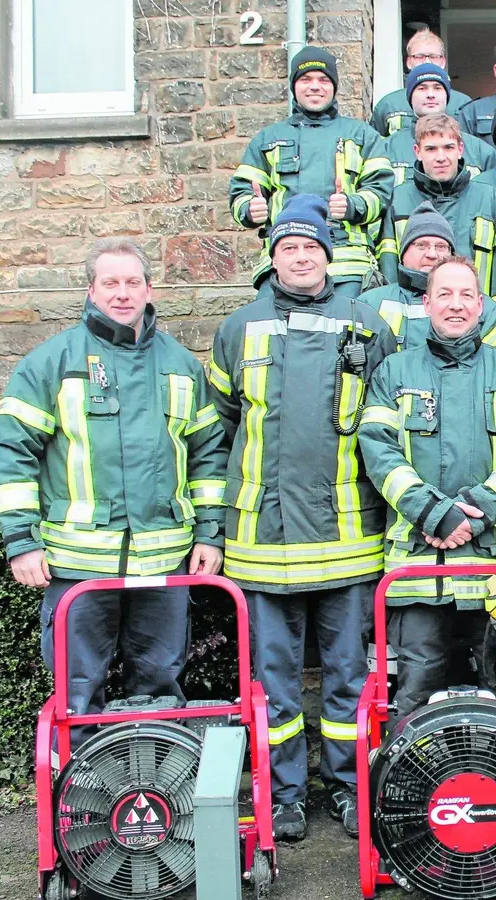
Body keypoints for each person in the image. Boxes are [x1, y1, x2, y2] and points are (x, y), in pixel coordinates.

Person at [208, 196, 398, 841]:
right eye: (289, 247)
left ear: (328, 254)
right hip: (261, 539)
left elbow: (387, 416)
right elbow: (221, 424)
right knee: (276, 683)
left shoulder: (365, 322)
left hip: (347, 537)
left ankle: (349, 789)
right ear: (272, 257)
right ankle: (284, 795)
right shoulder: (237, 329)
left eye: (311, 246)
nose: (301, 256)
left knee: (348, 678)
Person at [0, 238, 228, 745]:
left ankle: (157, 794)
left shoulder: (181, 365)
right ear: (91, 290)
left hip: (163, 560)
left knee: (161, 686)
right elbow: (12, 453)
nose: (123, 294)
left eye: (132, 282)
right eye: (111, 283)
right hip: (77, 564)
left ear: (149, 288)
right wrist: (22, 542)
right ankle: (82, 802)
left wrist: (209, 535)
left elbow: (209, 456)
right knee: (78, 691)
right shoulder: (50, 363)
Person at [356, 255, 496, 716]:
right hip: (419, 570)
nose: (456, 304)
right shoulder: (394, 373)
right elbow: (378, 451)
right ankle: (412, 789)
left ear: (481, 305)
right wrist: (435, 514)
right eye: (444, 294)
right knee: (414, 697)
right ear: (426, 303)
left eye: (466, 294)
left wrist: (475, 510)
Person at [229, 46, 393, 300]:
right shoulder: (267, 139)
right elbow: (241, 192)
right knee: (267, 329)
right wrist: (249, 209)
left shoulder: (362, 136)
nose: (315, 86)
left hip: (346, 261)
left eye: (323, 80)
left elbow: (382, 193)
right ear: (294, 86)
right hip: (283, 259)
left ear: (334, 87)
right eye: (306, 79)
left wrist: (353, 205)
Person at [379, 113, 496, 300]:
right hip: (411, 313)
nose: (441, 157)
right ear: (417, 151)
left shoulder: (488, 198)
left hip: (475, 314)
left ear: (460, 149)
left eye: (448, 147)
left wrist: (492, 312)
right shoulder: (398, 199)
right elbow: (388, 265)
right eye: (431, 149)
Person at [362, 201, 496, 354]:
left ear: (451, 254)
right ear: (403, 254)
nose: (432, 254)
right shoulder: (370, 304)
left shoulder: (487, 310)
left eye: (441, 247)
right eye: (421, 245)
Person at [384, 64, 496, 185]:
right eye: (422, 88)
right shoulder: (386, 148)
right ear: (410, 96)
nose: (430, 95)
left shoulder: (480, 150)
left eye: (437, 88)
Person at [373, 27, 474, 137]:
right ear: (409, 62)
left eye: (433, 56)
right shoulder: (389, 104)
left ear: (443, 61)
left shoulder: (463, 103)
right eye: (419, 56)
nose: (427, 61)